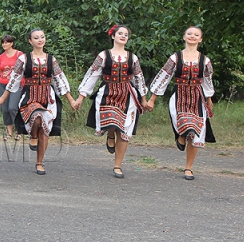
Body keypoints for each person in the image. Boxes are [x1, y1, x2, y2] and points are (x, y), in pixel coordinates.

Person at [0, 29, 77, 175]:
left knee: (45, 131)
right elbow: (14, 79)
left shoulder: (51, 59)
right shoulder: (24, 59)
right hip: (30, 97)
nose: (40, 40)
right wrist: (2, 98)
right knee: (37, 117)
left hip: (47, 97)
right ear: (30, 41)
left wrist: (71, 100)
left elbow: (60, 79)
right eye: (36, 38)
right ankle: (32, 136)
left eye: (42, 37)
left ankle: (39, 163)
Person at [74, 25, 149, 178]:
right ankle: (110, 134)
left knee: (124, 130)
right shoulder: (104, 55)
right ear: (113, 36)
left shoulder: (132, 57)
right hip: (108, 93)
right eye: (120, 33)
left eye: (126, 34)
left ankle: (117, 165)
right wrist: (81, 97)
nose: (123, 36)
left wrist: (144, 98)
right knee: (112, 121)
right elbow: (92, 75)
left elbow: (139, 78)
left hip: (127, 95)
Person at [147, 26, 215, 181]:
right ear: (184, 37)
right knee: (186, 124)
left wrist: (209, 99)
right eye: (189, 33)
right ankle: (181, 135)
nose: (192, 36)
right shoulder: (175, 58)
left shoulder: (205, 60)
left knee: (196, 133)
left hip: (197, 97)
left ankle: (188, 168)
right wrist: (152, 99)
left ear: (200, 39)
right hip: (180, 96)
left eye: (196, 34)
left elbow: (208, 81)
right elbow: (164, 77)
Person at [0, 34, 23, 141]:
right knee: (5, 109)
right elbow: (0, 70)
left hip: (16, 85)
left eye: (7, 42)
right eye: (3, 42)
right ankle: (10, 133)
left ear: (11, 43)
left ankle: (19, 131)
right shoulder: (0, 57)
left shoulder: (19, 54)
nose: (4, 44)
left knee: (13, 107)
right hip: (3, 84)